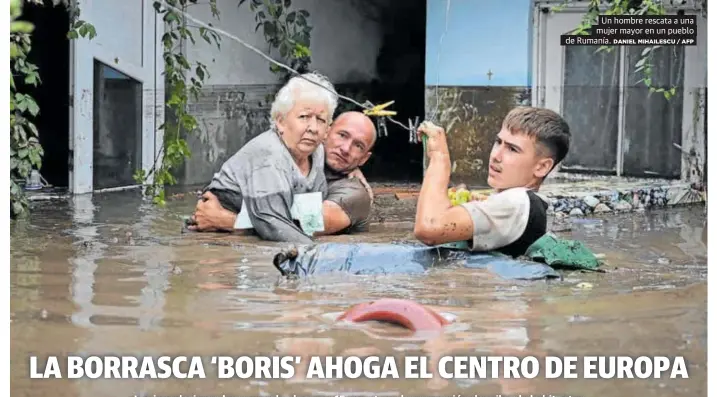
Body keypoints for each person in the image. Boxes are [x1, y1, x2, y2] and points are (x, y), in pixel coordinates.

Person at [188, 72, 338, 244]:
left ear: (327, 130)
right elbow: (273, 225)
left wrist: (231, 222)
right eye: (304, 117)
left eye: (321, 120)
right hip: (214, 239)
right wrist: (321, 257)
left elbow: (308, 222)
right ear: (280, 121)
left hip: (242, 228)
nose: (313, 128)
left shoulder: (317, 153)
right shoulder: (270, 153)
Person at [413, 106, 571, 258]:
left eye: (512, 149)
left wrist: (439, 156)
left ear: (542, 167)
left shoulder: (516, 201)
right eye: (498, 142)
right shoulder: (525, 204)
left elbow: (429, 228)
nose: (496, 155)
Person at [188, 110, 377, 237]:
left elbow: (306, 226)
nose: (345, 148)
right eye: (342, 135)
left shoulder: (354, 193)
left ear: (364, 158)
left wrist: (227, 221)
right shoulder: (295, 159)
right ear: (325, 132)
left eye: (358, 146)